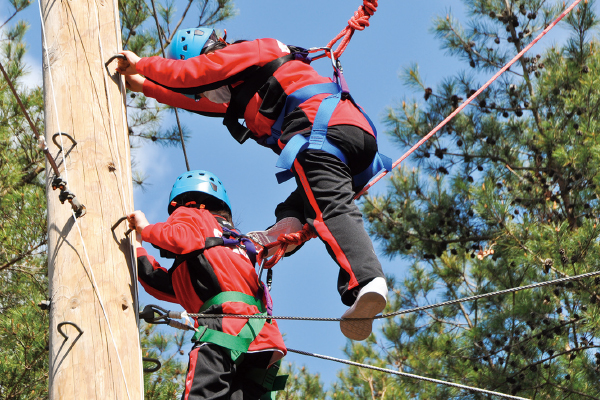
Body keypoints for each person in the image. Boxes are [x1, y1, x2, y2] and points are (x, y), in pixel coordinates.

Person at [118, 27, 389, 341]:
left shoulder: (249, 51)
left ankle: (368, 280)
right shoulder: (250, 81)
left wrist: (141, 64)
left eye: (204, 88)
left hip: (322, 134)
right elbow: (200, 101)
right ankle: (287, 229)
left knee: (330, 210)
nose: (206, 94)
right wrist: (144, 86)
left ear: (208, 53)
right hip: (351, 141)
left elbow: (191, 73)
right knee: (301, 205)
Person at [128, 170, 287, 400]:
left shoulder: (193, 215)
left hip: (222, 328)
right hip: (261, 339)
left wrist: (144, 230)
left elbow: (176, 236)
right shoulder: (232, 245)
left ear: (189, 204)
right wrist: (137, 249)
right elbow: (163, 284)